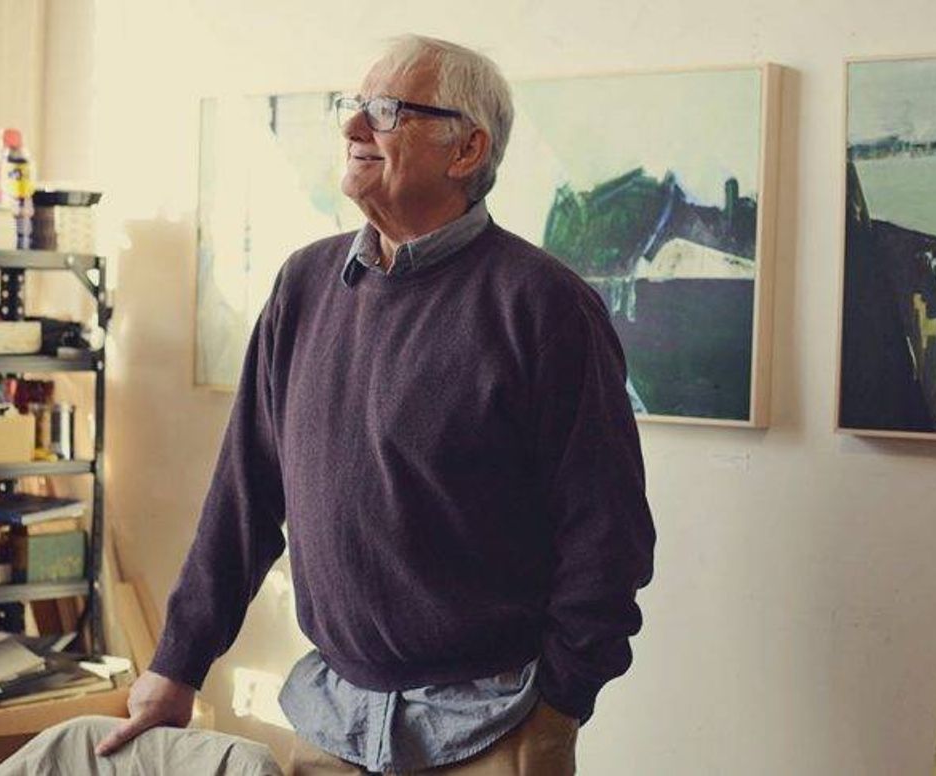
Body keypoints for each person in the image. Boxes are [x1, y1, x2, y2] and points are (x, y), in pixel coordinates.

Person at [94, 34, 655, 775]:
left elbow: (608, 534)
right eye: (352, 106)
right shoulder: (303, 286)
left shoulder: (545, 307)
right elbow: (245, 497)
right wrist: (177, 664)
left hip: (495, 726)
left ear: (467, 150)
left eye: (386, 111)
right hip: (335, 719)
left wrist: (560, 700)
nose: (353, 127)